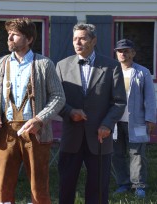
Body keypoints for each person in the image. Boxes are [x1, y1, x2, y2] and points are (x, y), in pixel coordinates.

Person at [0, 17, 65, 204]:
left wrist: (39, 119)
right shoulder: (1, 63)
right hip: (7, 131)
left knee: (38, 187)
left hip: (35, 132)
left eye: (15, 35)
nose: (9, 38)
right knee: (3, 187)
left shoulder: (44, 64)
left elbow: (58, 97)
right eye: (8, 34)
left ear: (29, 39)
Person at [55, 23, 126, 204]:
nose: (77, 42)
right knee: (66, 185)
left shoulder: (111, 66)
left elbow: (118, 102)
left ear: (93, 41)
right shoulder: (62, 66)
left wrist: (107, 124)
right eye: (74, 39)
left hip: (100, 137)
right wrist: (70, 112)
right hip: (71, 137)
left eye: (82, 38)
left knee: (98, 189)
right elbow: (55, 100)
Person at [112, 39, 156, 198]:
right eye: (119, 51)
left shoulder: (142, 72)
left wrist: (151, 119)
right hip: (115, 121)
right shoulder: (112, 71)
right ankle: (123, 183)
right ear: (116, 54)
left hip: (136, 120)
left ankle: (139, 186)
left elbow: (150, 98)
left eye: (126, 50)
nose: (122, 53)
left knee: (137, 154)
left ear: (133, 53)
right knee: (117, 154)